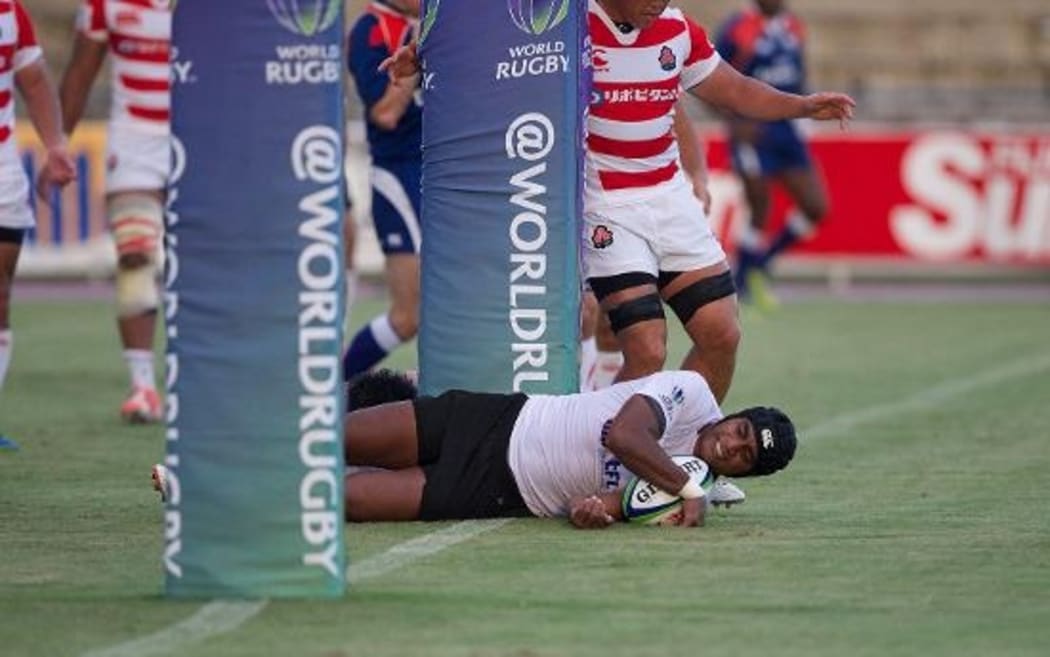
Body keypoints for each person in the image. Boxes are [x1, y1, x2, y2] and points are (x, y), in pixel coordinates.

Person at [380, 0, 853, 406]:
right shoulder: (571, 27)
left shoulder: (678, 30)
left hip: (668, 200)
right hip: (606, 206)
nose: (659, 2)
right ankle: (602, 460)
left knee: (721, 335)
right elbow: (488, 44)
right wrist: (422, 57)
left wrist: (803, 105)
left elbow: (734, 91)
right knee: (645, 349)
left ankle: (679, 451)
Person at [339, 368, 797, 528]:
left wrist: (591, 512)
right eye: (741, 430)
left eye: (746, 455)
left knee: (349, 501)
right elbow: (625, 435)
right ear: (734, 415)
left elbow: (606, 505)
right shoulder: (692, 393)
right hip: (497, 420)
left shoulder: (699, 488)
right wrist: (690, 491)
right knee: (336, 436)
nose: (732, 445)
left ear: (744, 473)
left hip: (501, 491)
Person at [59, 0, 171, 423]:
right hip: (134, 140)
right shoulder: (104, 5)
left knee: (203, 263)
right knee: (135, 253)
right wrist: (58, 146)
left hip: (202, 136)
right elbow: (79, 73)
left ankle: (199, 379)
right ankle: (143, 386)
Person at [715, 0, 828, 310]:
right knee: (760, 206)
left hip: (787, 130)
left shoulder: (793, 26)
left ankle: (758, 263)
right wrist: (734, 122)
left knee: (816, 206)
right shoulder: (737, 28)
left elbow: (798, 76)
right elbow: (706, 78)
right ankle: (740, 283)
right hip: (753, 130)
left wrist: (806, 119)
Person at [0, 1, 78, 448]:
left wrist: (55, 146)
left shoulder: (12, 12)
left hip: (4, 168)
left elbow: (32, 78)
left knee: (1, 289)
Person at [342, 0, 423, 381]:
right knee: (409, 317)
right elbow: (386, 114)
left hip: (446, 177)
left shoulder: (439, 22)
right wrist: (419, 52)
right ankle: (333, 384)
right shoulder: (369, 31)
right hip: (399, 177)